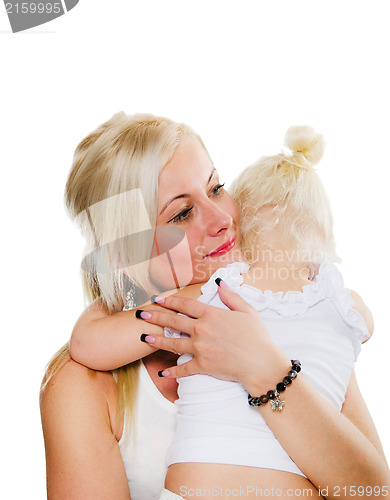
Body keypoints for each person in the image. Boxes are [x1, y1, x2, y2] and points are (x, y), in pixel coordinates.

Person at [40, 113, 389, 500]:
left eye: (217, 188)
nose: (223, 219)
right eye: (182, 213)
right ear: (127, 253)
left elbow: (374, 492)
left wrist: (267, 370)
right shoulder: (84, 385)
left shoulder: (293, 313)